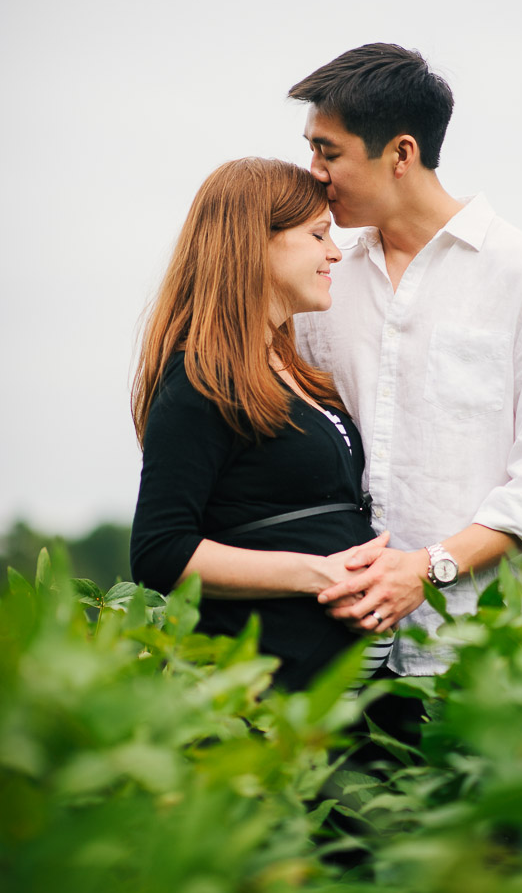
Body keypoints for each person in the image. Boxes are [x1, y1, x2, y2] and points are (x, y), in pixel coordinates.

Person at [288, 44, 522, 691]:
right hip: (342, 662)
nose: (313, 172)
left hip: (488, 660)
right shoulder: (324, 284)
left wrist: (429, 569)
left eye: (330, 152)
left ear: (401, 154)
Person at [130, 157, 394, 692]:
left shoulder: (291, 369)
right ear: (257, 242)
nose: (335, 252)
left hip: (331, 706)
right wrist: (318, 575)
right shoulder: (199, 380)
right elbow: (160, 550)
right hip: (255, 706)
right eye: (319, 234)